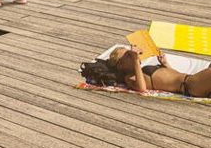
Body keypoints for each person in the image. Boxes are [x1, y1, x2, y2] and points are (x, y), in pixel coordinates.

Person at [81, 45, 211, 98]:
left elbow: (175, 76)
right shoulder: (130, 77)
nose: (131, 55)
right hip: (191, 86)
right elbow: (142, 88)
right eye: (127, 56)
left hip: (193, 79)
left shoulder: (142, 70)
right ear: (120, 66)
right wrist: (136, 61)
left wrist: (166, 64)